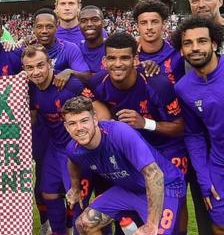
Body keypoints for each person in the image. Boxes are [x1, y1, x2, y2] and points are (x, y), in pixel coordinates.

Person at [87, 32, 188, 234]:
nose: (118, 64)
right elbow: (88, 95)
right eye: (112, 58)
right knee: (132, 205)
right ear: (104, 61)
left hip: (166, 147)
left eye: (124, 58)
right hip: (133, 150)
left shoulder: (157, 84)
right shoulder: (98, 83)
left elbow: (181, 127)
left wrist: (145, 123)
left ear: (135, 59)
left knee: (174, 197)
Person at [62, 96, 186, 235]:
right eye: (72, 123)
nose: (79, 128)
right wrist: (75, 186)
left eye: (84, 121)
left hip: (164, 186)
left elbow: (154, 174)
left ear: (95, 119)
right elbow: (72, 162)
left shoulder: (119, 132)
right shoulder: (73, 148)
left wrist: (151, 225)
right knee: (83, 224)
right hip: (129, 189)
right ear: (67, 127)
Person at [23, 45, 85, 235]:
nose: (36, 72)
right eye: (30, 68)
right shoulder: (30, 88)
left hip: (74, 148)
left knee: (75, 196)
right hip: (54, 146)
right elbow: (32, 118)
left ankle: (81, 229)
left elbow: (94, 108)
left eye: (40, 65)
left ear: (50, 64)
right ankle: (59, 231)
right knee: (48, 193)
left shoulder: (68, 84)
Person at [172, 16, 224, 234]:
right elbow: (193, 135)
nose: (195, 48)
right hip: (219, 163)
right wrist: (203, 177)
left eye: (202, 41)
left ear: (214, 44)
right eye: (188, 43)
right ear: (181, 50)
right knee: (219, 224)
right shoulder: (183, 88)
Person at [133, 0, 185, 83]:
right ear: (136, 26)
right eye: (143, 23)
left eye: (154, 22)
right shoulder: (130, 56)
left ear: (163, 24)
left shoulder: (178, 51)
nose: (149, 27)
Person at [78, 5, 106, 73]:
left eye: (95, 20)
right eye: (84, 21)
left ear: (103, 23)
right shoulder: (76, 50)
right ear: (79, 25)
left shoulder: (113, 47)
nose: (89, 24)